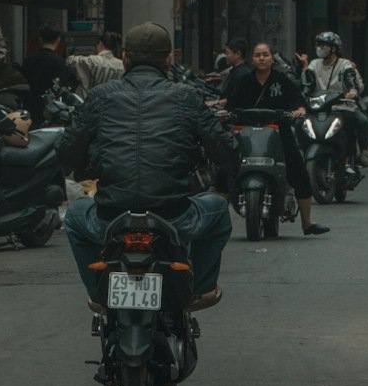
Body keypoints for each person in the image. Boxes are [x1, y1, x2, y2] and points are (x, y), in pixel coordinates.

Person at [59, 21, 239, 311]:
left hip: (110, 217)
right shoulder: (187, 97)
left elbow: (66, 153)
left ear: (126, 59)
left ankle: (97, 293)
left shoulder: (99, 97)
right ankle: (199, 289)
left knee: (76, 215)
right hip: (174, 217)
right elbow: (226, 151)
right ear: (168, 59)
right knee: (218, 211)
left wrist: (89, 164)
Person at [226, 42, 330, 236]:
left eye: (265, 54)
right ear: (252, 59)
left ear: (272, 58)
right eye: (258, 55)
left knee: (298, 170)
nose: (262, 58)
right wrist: (226, 113)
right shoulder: (243, 81)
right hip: (246, 133)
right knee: (225, 171)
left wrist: (299, 110)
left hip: (279, 131)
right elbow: (231, 104)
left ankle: (307, 222)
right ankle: (217, 223)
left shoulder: (282, 80)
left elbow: (298, 101)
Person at [302, 31, 368, 170]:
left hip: (343, 107)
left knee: (361, 121)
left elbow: (350, 79)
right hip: (319, 108)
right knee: (300, 123)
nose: (319, 48)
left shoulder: (345, 64)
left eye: (323, 46)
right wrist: (304, 69)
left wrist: (352, 91)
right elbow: (307, 84)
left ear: (333, 48)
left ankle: (361, 153)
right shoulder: (314, 64)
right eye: (318, 45)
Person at [22, 23, 77, 124]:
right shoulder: (59, 61)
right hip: (51, 109)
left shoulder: (28, 60)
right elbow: (63, 86)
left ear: (40, 39)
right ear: (58, 40)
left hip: (30, 105)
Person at [67, 30, 125, 95]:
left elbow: (70, 61)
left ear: (100, 44)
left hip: (88, 102)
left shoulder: (92, 60)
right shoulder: (121, 65)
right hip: (110, 102)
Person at [219, 38, 253, 102]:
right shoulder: (235, 71)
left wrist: (216, 102)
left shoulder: (243, 74)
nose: (226, 56)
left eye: (228, 53)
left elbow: (236, 99)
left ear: (238, 54)